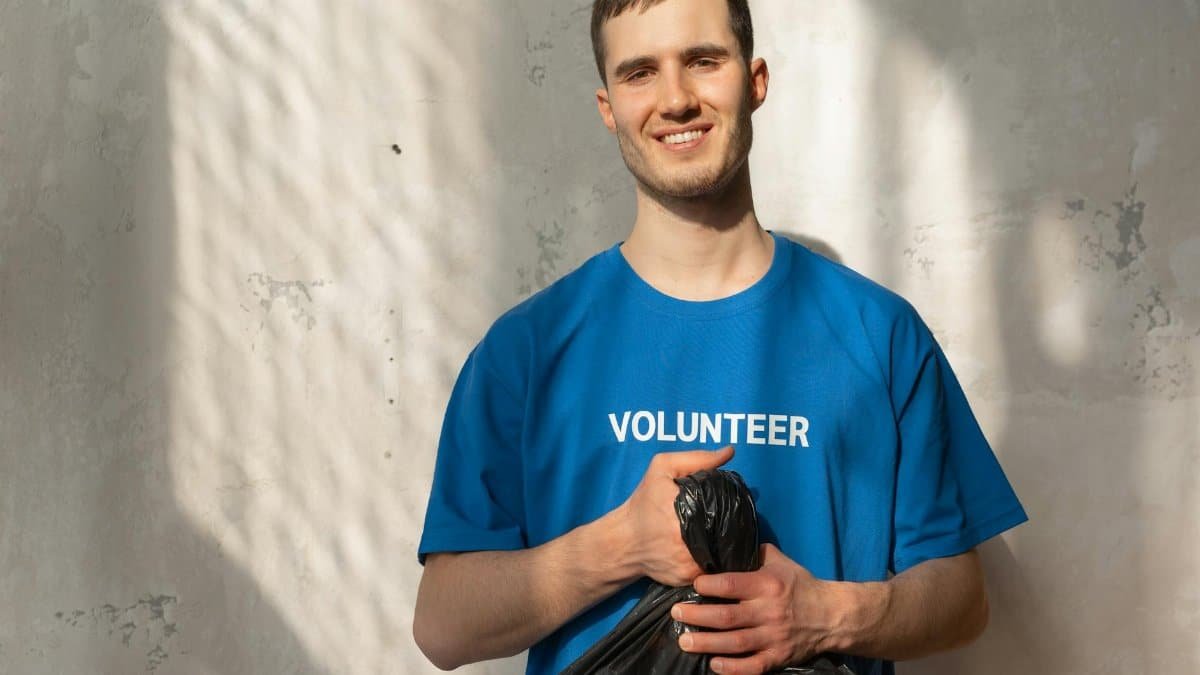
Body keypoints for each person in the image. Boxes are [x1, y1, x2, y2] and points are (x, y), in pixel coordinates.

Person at [412, 0, 1028, 673]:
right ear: (608, 107)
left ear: (754, 81)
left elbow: (962, 597)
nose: (676, 99)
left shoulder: (880, 334)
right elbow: (443, 626)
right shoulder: (527, 352)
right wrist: (621, 544)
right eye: (640, 72)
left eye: (703, 61)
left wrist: (824, 614)